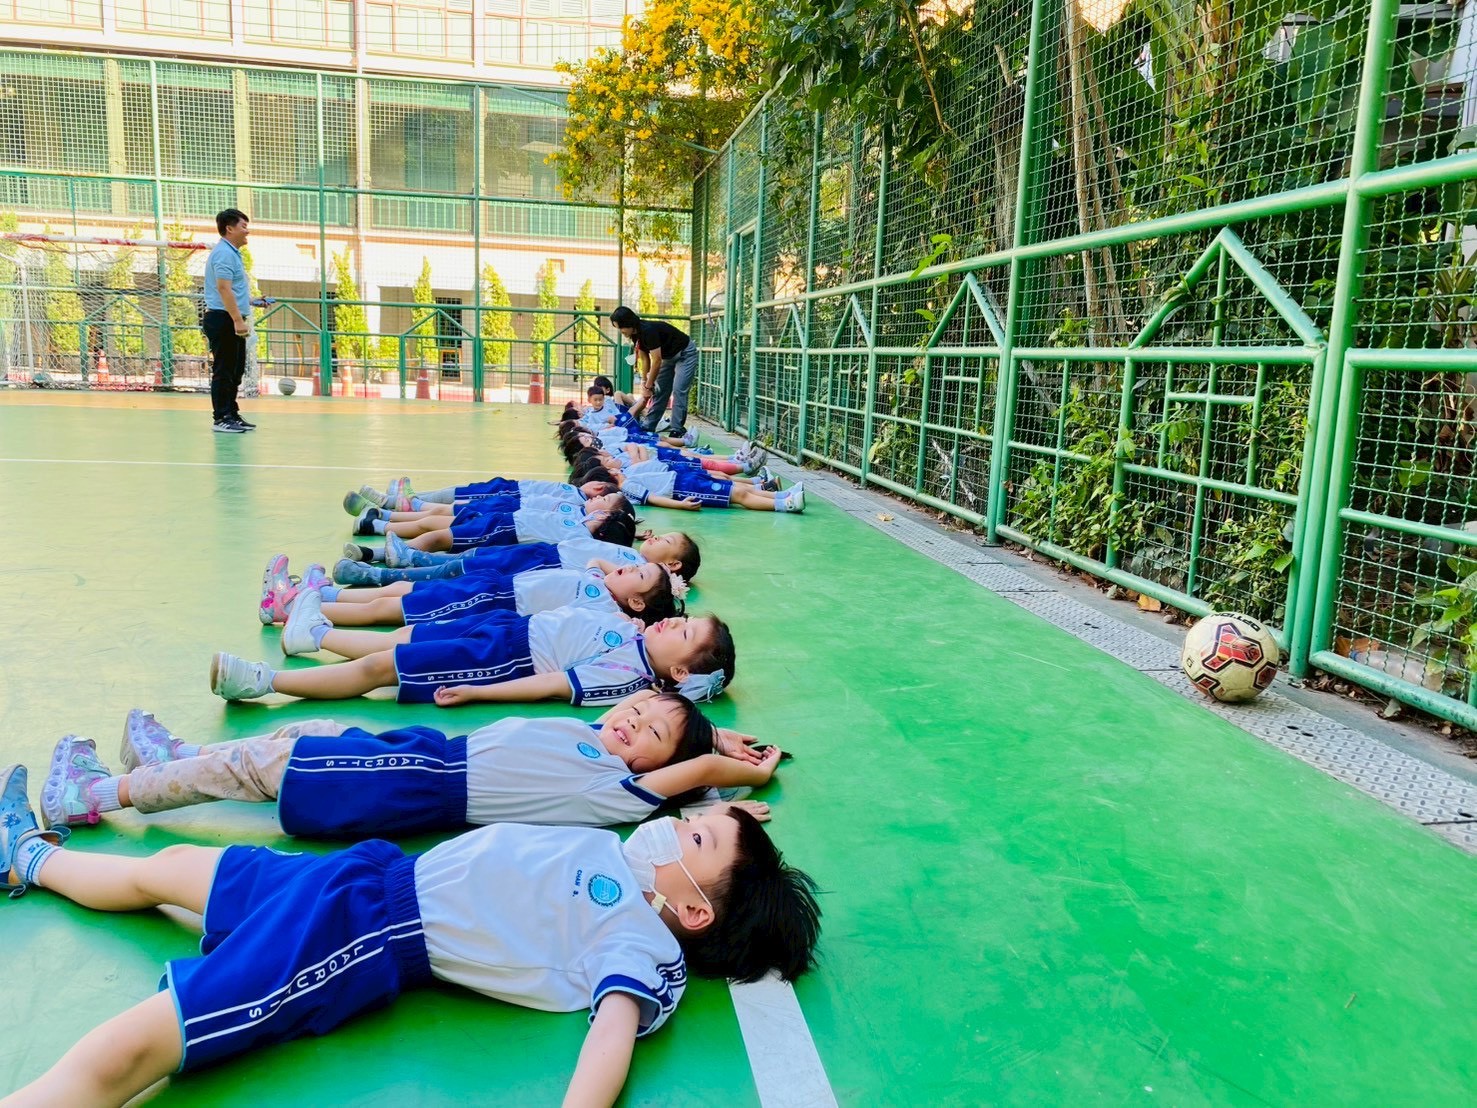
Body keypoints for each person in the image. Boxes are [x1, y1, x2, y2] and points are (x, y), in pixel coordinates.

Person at [0, 764, 821, 1106]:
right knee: (170, 868)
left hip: (360, 935)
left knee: (141, 1044)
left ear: (695, 913)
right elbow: (702, 827)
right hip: (367, 875)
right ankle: (29, 858)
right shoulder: (639, 867)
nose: (679, 824)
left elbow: (612, 1034)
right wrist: (728, 809)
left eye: (696, 837)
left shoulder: (640, 942)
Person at [38, 696, 779, 836]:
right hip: (416, 755)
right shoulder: (594, 737)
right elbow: (663, 727)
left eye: (650, 733)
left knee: (263, 765)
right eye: (638, 708)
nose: (632, 722)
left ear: (660, 768)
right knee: (307, 732)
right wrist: (715, 733)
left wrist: (737, 768)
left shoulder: (615, 789)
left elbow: (691, 775)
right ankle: (177, 758)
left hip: (408, 781)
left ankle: (96, 794)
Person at [208, 606, 735, 705]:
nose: (675, 622)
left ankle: (263, 682)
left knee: (381, 669)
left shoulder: (627, 675)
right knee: (407, 638)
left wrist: (481, 689)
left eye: (685, 632)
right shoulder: (635, 639)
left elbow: (552, 684)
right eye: (685, 618)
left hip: (503, 658)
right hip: (511, 630)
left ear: (679, 669)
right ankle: (315, 636)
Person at [272, 561, 681, 638]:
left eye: (639, 575)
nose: (628, 567)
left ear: (637, 604)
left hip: (491, 604)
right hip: (492, 586)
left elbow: (625, 629)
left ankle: (291, 607)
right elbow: (597, 562)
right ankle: (324, 594)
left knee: (389, 610)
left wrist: (634, 622)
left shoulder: (606, 610)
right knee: (407, 591)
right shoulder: (599, 581)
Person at [333, 527, 700, 588]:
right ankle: (399, 556)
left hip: (543, 566)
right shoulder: (632, 553)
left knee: (458, 570)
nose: (657, 538)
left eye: (666, 541)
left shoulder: (640, 574)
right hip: (542, 553)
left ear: (672, 565)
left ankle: (372, 575)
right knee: (469, 557)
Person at [202, 209, 257, 434]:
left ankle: (231, 413)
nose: (247, 231)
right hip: (223, 319)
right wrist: (237, 320)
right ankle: (221, 418)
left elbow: (232, 289)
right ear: (229, 228)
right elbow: (223, 289)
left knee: (235, 369)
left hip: (230, 317)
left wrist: (251, 302)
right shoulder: (224, 253)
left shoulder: (232, 253)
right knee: (224, 370)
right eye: (243, 226)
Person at [609, 306, 699, 437]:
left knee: (678, 389)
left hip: (685, 353)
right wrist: (645, 382)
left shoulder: (648, 330)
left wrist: (648, 385)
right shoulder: (635, 335)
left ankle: (677, 429)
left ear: (628, 323)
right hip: (668, 357)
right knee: (660, 390)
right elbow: (645, 359)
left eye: (621, 328)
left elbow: (656, 361)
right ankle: (649, 426)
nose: (620, 331)